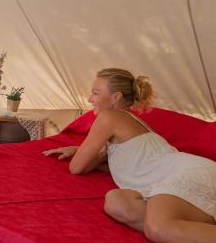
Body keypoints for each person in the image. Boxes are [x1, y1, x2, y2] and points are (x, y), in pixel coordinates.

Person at [43, 68, 216, 243]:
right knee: (116, 201)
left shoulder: (109, 117)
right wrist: (81, 149)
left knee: (158, 227)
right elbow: (91, 165)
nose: (90, 99)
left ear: (116, 97)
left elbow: (76, 167)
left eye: (95, 93)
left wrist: (82, 151)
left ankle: (167, 231)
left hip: (184, 173)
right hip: (180, 174)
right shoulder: (130, 122)